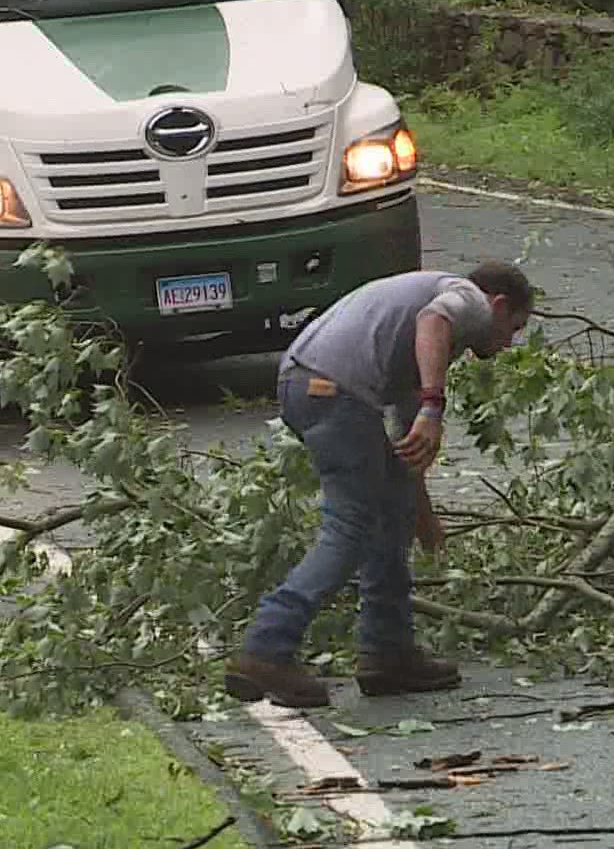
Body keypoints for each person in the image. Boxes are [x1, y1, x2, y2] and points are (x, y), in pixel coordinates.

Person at [225, 261, 535, 708]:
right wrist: (434, 407)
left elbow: (407, 453)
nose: (508, 343)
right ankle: (266, 648)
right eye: (514, 327)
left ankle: (387, 653)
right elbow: (434, 321)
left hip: (308, 383)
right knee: (351, 525)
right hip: (332, 389)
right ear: (499, 304)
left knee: (391, 512)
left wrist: (422, 517)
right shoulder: (465, 299)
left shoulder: (420, 347)